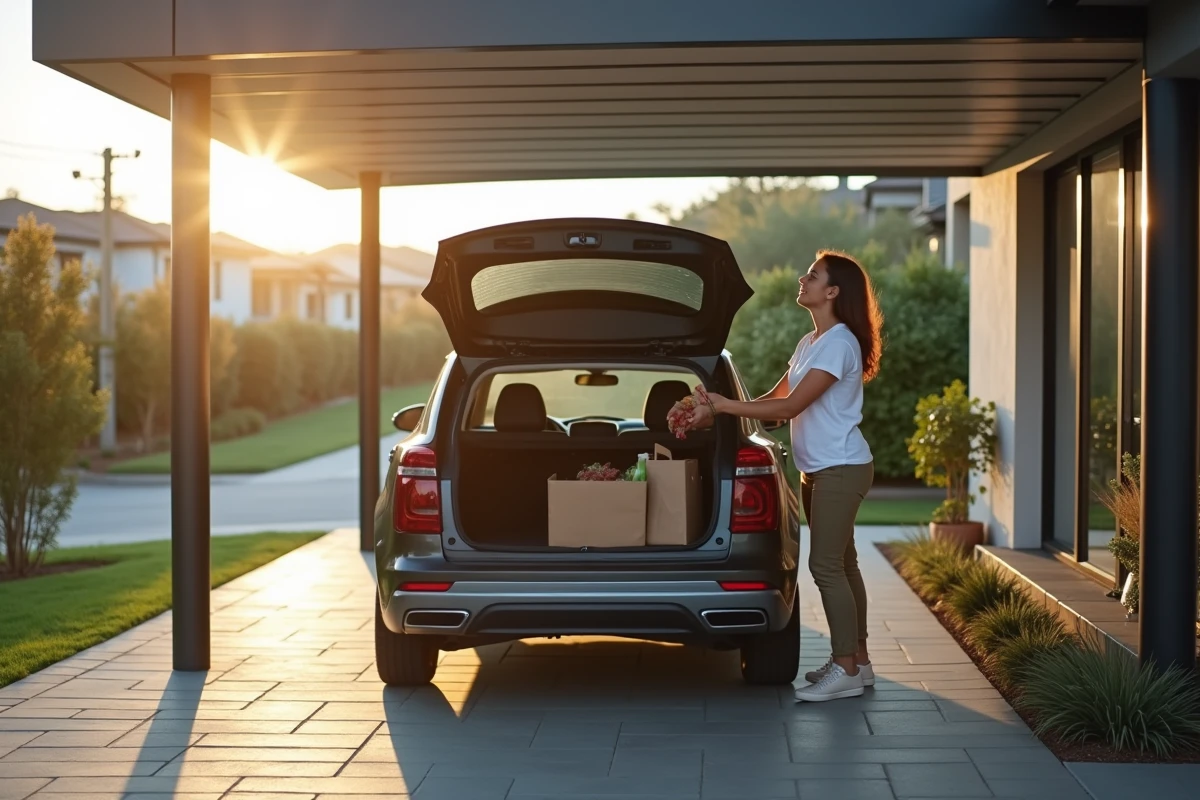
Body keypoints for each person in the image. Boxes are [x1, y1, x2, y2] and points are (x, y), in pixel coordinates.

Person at [684, 249, 882, 702]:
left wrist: (725, 405)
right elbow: (777, 400)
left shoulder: (840, 343)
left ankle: (846, 667)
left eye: (812, 276)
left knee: (826, 566)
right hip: (823, 468)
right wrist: (716, 411)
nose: (802, 279)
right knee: (845, 565)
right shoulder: (811, 343)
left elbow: (792, 408)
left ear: (833, 291)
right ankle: (861, 663)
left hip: (842, 467)